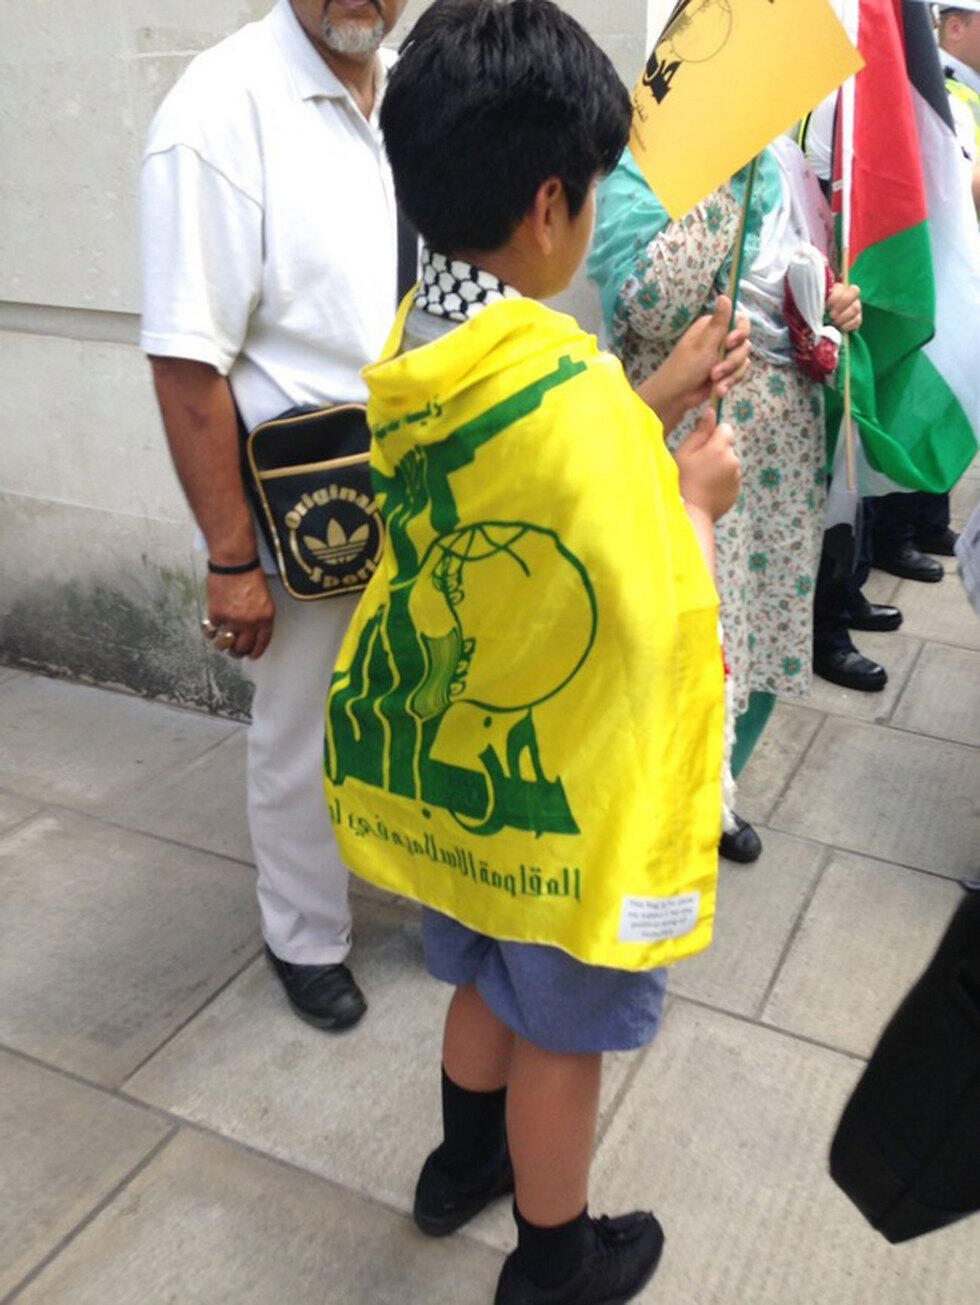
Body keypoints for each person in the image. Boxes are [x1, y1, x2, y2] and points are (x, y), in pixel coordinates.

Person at [323, 3, 741, 1302]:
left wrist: (645, 407)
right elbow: (644, 594)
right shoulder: (566, 385)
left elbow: (530, 472)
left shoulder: (418, 343)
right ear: (553, 203)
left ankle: (460, 1171)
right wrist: (697, 498)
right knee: (562, 1020)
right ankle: (554, 1261)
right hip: (563, 787)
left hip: (468, 778)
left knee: (479, 973)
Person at [140, 0, 410, 1032]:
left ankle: (417, 872)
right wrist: (229, 559)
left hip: (416, 467)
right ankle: (304, 934)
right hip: (309, 496)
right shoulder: (218, 110)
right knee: (304, 726)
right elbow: (184, 358)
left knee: (410, 700)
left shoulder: (404, 88)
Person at [589, 136, 862, 860]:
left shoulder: (786, 163)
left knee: (764, 625)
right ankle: (669, 809)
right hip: (695, 441)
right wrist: (721, 180)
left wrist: (833, 296)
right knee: (698, 626)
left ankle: (718, 790)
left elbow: (801, 267)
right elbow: (646, 303)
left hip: (780, 446)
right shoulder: (644, 161)